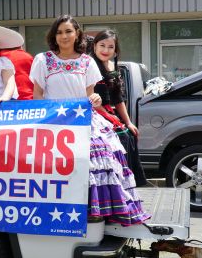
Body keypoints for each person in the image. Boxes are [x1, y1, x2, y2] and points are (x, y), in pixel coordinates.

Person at [30, 14, 149, 225]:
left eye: (68, 31)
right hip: (52, 120)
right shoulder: (43, 59)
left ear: (77, 34)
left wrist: (94, 98)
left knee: (99, 153)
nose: (64, 36)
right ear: (53, 36)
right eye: (59, 32)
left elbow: (91, 95)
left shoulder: (87, 62)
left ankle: (96, 208)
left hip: (83, 119)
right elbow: (37, 94)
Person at [90, 29, 148, 187]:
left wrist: (128, 122)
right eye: (102, 45)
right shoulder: (89, 65)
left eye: (110, 47)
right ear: (94, 46)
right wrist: (109, 116)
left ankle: (129, 181)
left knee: (130, 133)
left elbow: (118, 98)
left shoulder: (113, 66)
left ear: (115, 50)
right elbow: (90, 96)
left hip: (109, 112)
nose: (105, 50)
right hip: (94, 113)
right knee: (119, 136)